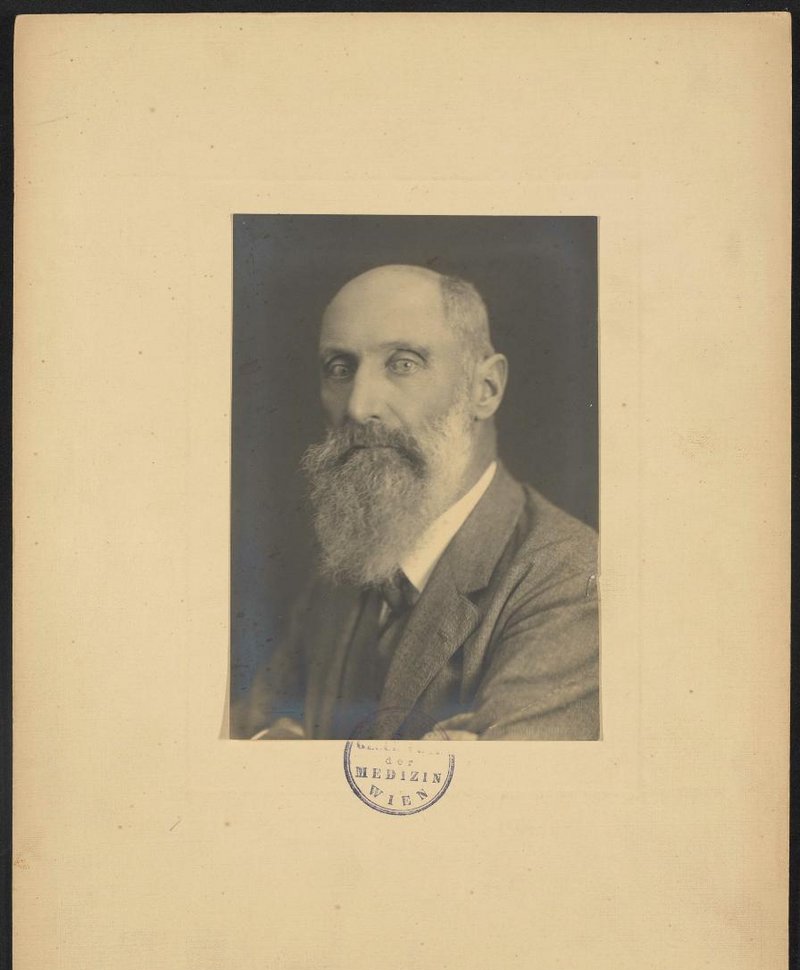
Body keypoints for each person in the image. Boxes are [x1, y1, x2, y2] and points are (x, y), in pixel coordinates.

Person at [231, 264, 599, 741]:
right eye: (340, 368)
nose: (359, 407)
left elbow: (502, 786)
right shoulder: (345, 570)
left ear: (484, 389)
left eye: (402, 364)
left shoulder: (570, 579)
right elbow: (246, 731)